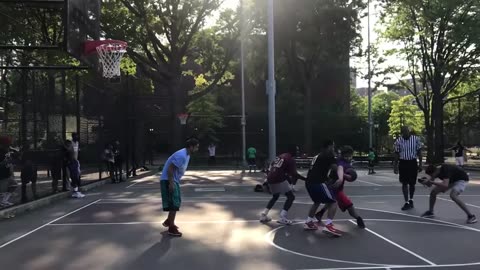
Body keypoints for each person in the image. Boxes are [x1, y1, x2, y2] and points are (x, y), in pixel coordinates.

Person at [310, 146, 365, 230]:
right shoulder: (340, 163)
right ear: (342, 155)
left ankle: (320, 214)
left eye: (349, 156)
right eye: (346, 156)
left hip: (336, 187)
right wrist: (346, 175)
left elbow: (350, 175)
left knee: (331, 202)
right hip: (333, 187)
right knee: (345, 204)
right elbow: (349, 175)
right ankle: (357, 218)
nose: (348, 158)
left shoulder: (341, 161)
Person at [160, 138, 200, 237]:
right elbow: (170, 169)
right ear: (191, 146)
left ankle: (169, 221)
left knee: (176, 202)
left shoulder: (187, 155)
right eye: (196, 147)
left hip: (173, 179)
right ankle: (171, 228)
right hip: (168, 179)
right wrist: (171, 183)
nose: (197, 149)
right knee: (174, 203)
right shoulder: (181, 155)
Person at [304, 140, 343, 236]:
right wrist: (340, 164)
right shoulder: (329, 155)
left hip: (309, 182)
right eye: (333, 147)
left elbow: (319, 170)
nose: (333, 148)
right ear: (329, 147)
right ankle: (328, 225)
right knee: (333, 202)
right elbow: (335, 168)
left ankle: (309, 222)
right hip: (317, 182)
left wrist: (327, 179)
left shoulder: (318, 156)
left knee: (317, 202)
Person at [259, 145, 306, 225]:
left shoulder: (281, 156)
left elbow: (274, 165)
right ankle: (282, 217)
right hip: (278, 178)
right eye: (297, 151)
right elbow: (294, 174)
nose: (298, 152)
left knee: (275, 196)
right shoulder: (290, 159)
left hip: (270, 177)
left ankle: (264, 214)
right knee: (291, 197)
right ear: (293, 151)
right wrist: (305, 179)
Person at [393, 126, 423, 211]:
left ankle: (411, 199)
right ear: (402, 133)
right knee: (404, 183)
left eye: (406, 132)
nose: (405, 134)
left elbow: (419, 152)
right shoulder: (398, 141)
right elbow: (396, 153)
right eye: (403, 132)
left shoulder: (415, 139)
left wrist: (420, 164)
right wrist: (395, 166)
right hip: (403, 162)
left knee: (412, 183)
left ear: (409, 131)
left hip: (412, 162)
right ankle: (406, 202)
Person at [0, 137, 18, 207]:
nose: (8, 146)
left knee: (14, 185)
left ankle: (4, 201)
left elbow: (16, 154)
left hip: (7, 174)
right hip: (2, 175)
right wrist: (4, 163)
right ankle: (2, 202)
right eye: (7, 145)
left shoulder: (7, 151)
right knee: (3, 190)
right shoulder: (1, 152)